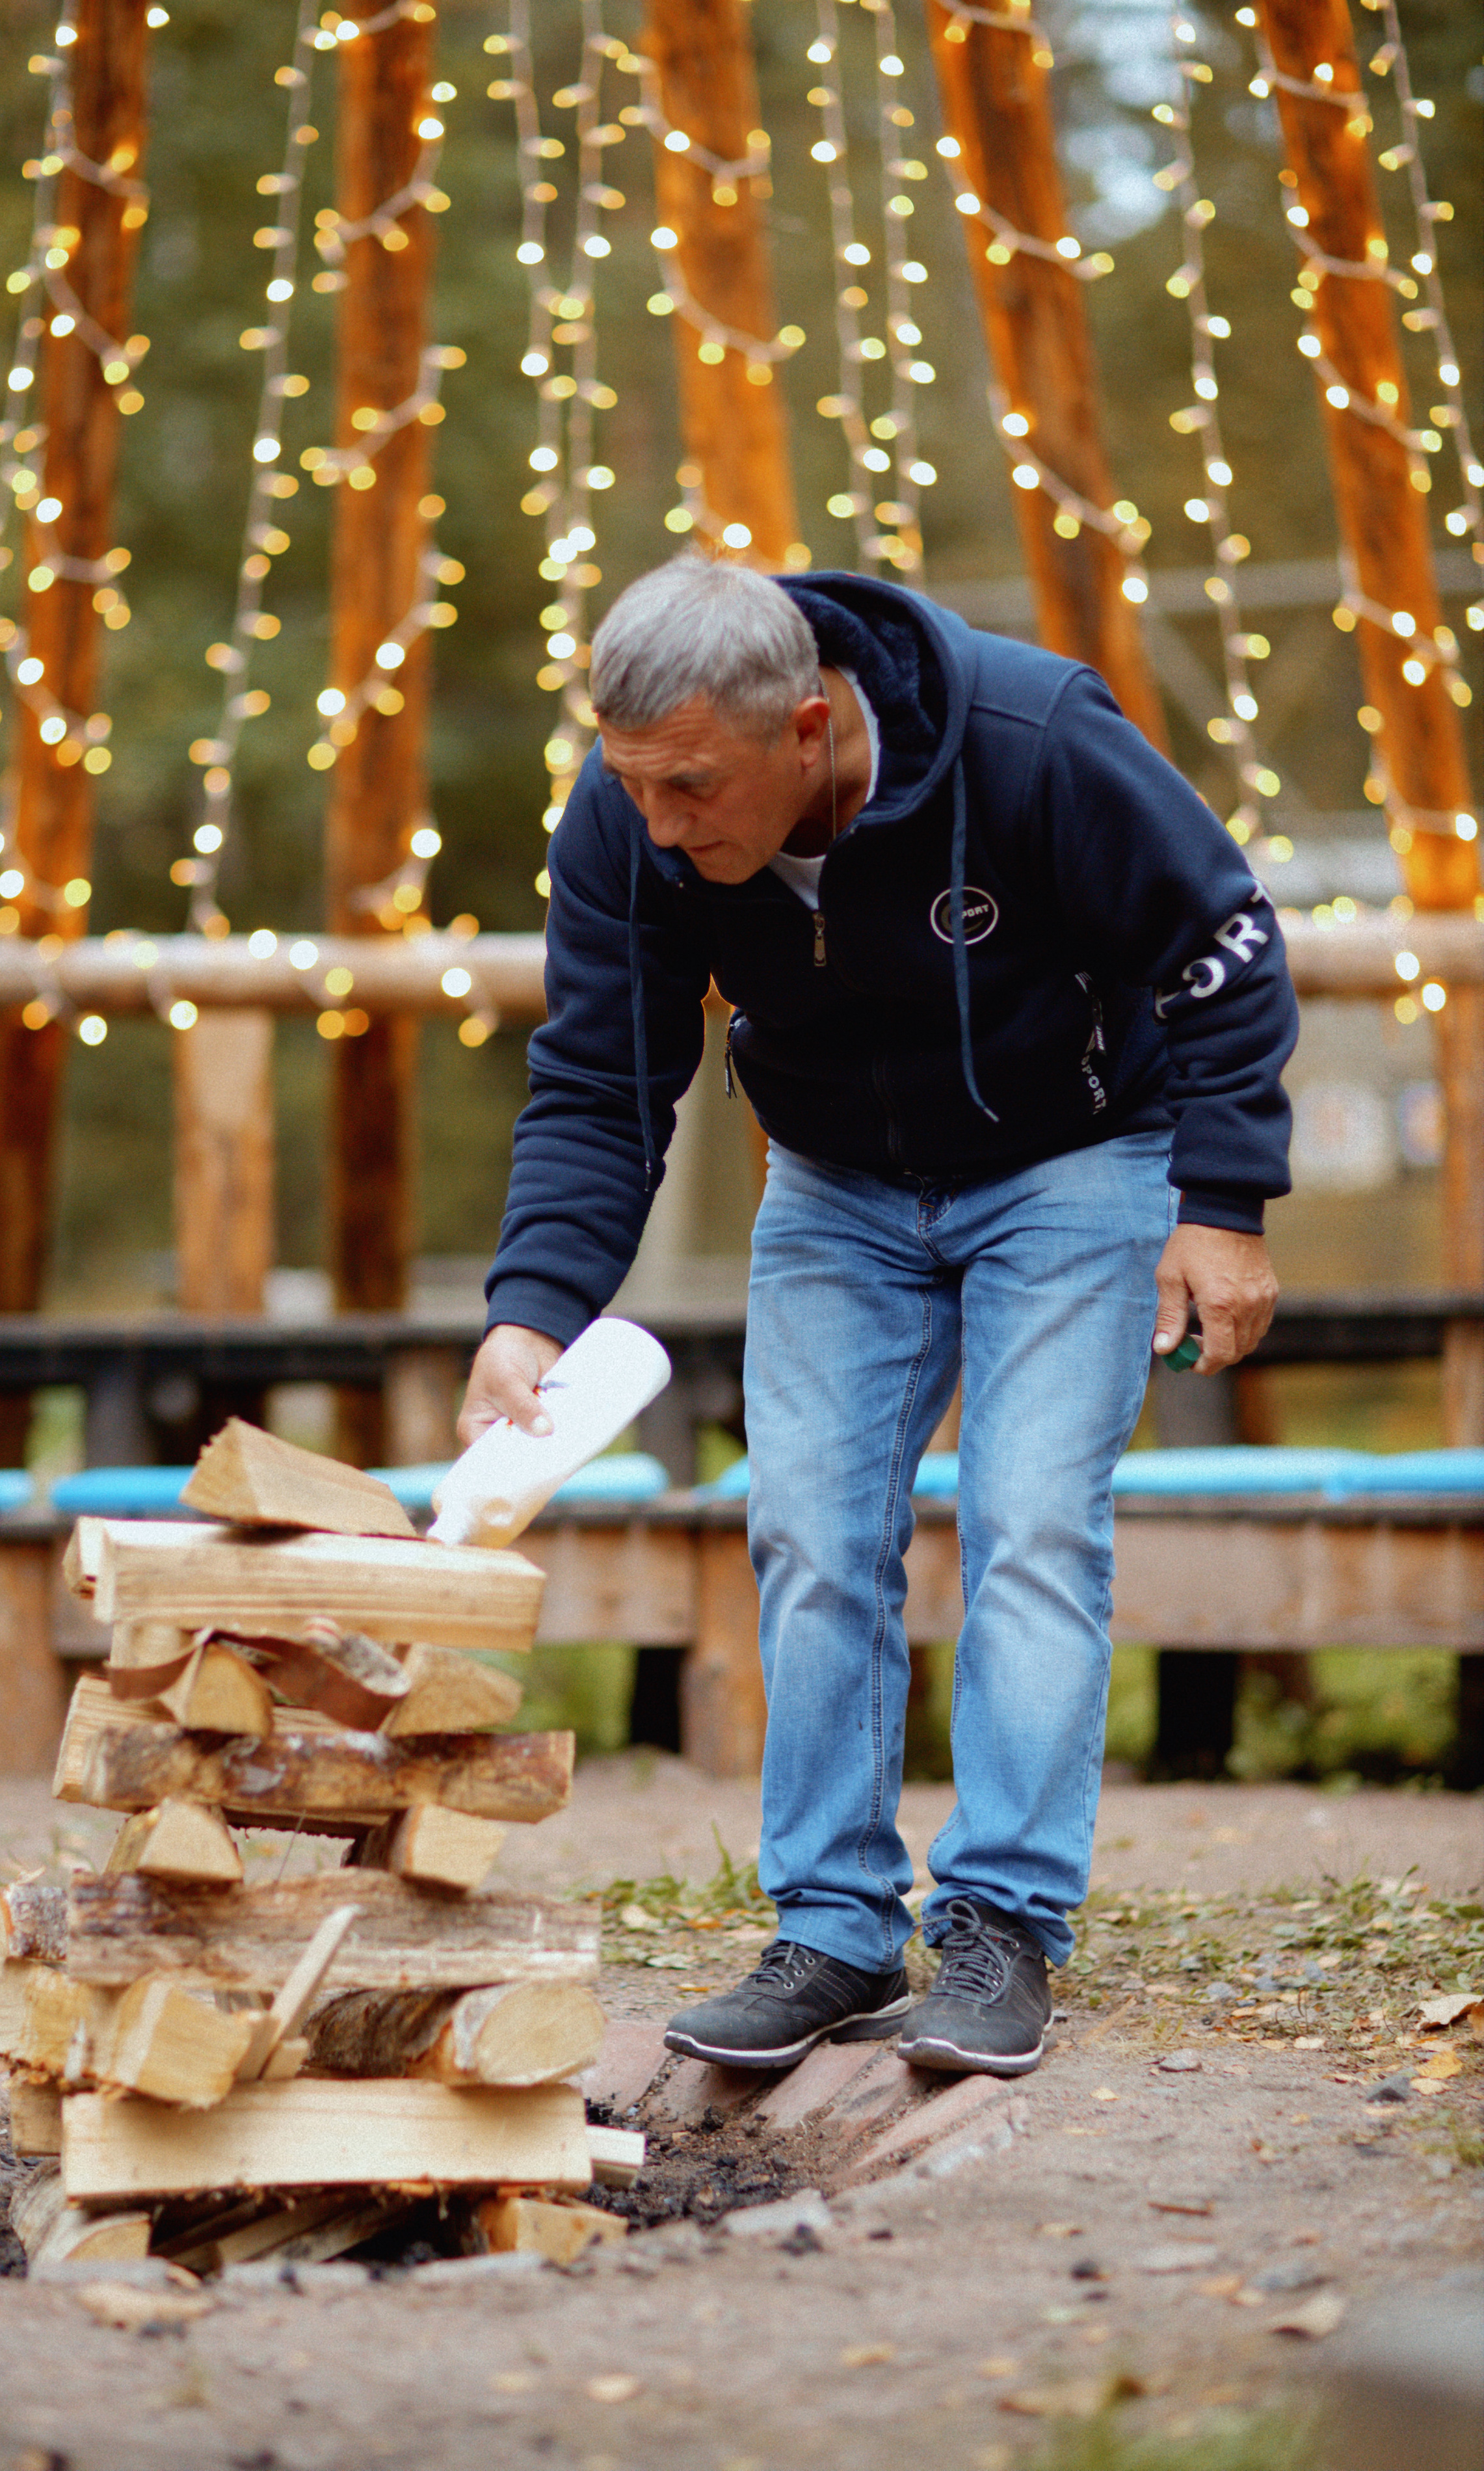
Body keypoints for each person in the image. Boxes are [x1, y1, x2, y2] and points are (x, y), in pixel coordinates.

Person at [458, 555, 1296, 2078]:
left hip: (1076, 1161)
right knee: (806, 1530)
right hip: (837, 1186)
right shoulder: (628, 820)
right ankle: (834, 1929)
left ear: (805, 726)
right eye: (635, 786)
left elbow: (1221, 950)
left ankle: (1000, 1929)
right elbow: (598, 1080)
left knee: (1029, 1523)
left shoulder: (1029, 738)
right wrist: (533, 1312)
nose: (659, 825)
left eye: (691, 788)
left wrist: (1221, 1206)